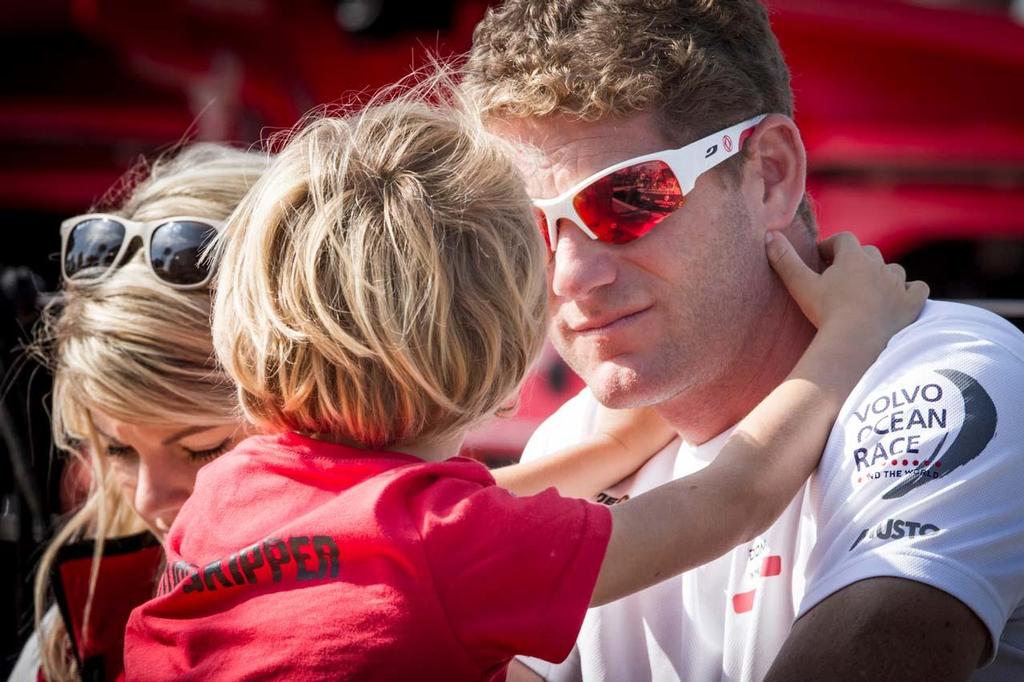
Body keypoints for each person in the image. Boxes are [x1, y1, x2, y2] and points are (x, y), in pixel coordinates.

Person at [123, 79, 923, 680]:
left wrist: (640, 417)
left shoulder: (226, 491)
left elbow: (431, 524)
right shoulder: (459, 550)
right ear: (506, 358)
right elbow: (730, 502)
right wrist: (849, 336)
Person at [462, 1, 1024, 680]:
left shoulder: (949, 386)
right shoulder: (576, 445)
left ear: (771, 175)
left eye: (627, 200)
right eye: (527, 231)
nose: (573, 275)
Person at [8, 144, 270, 682]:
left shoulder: (464, 592)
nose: (151, 500)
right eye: (117, 449)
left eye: (202, 447)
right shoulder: (72, 630)